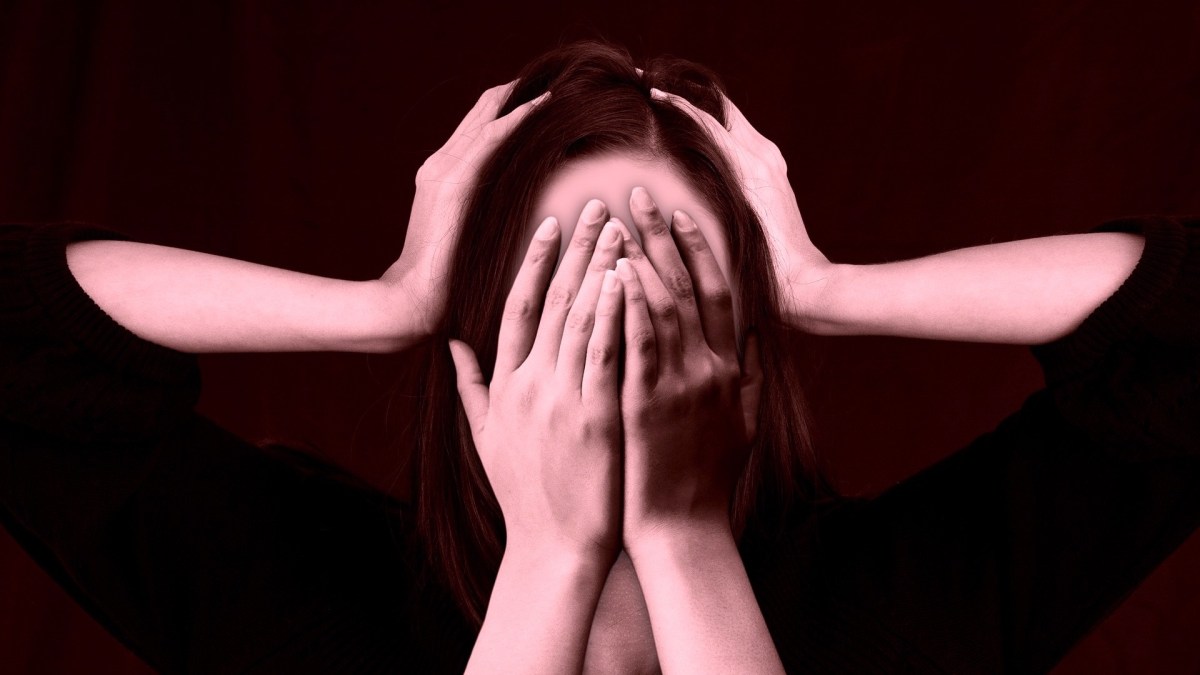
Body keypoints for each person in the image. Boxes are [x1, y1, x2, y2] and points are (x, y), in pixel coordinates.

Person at [1, 39, 1196, 674]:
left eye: (672, 263)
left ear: (749, 330)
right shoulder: (299, 590)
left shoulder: (916, 596)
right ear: (480, 320)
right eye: (560, 269)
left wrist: (828, 291)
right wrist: (386, 304)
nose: (617, 315)